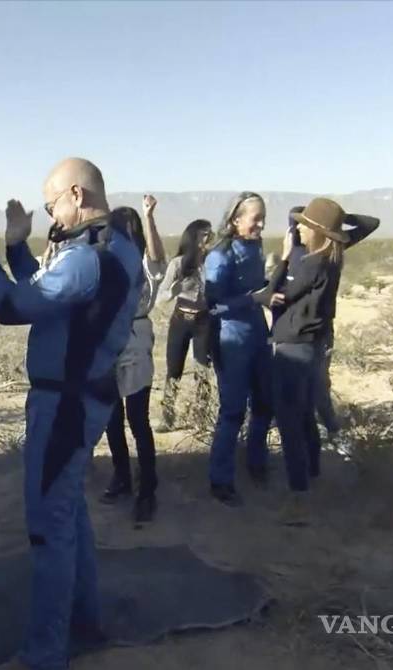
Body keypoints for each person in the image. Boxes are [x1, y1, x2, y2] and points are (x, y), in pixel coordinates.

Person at [0, 157, 142, 670]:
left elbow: (13, 307)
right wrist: (16, 245)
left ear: (77, 195)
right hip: (85, 397)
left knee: (48, 527)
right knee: (68, 510)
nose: (49, 213)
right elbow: (51, 296)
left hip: (65, 406)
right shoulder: (113, 247)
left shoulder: (85, 256)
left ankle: (44, 654)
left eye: (51, 202)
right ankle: (87, 620)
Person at [260, 198, 380, 524]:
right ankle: (311, 472)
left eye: (302, 223)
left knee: (289, 423)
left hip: (293, 347)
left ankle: (299, 497)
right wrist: (334, 224)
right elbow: (370, 223)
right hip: (311, 345)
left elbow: (273, 296)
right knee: (305, 414)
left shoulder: (310, 262)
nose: (295, 227)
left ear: (317, 232)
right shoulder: (330, 256)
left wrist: (282, 261)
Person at [279, 205, 379, 456]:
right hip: (305, 331)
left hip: (313, 331)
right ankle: (316, 435)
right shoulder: (311, 251)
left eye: (305, 223)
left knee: (316, 386)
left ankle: (331, 433)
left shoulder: (321, 251)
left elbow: (371, 222)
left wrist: (333, 220)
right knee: (305, 386)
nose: (299, 227)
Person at [203, 191, 273, 507]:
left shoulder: (255, 248)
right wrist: (252, 300)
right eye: (255, 218)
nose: (260, 225)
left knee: (264, 404)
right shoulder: (220, 255)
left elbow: (258, 287)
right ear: (235, 220)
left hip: (259, 335)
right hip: (232, 341)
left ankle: (256, 462)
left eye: (263, 219)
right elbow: (213, 305)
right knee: (232, 411)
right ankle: (221, 480)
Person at [100, 195, 166, 523]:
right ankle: (122, 476)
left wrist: (149, 216)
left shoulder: (145, 264)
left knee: (138, 419)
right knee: (112, 419)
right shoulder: (106, 262)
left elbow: (158, 257)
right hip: (109, 343)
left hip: (137, 341)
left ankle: (147, 488)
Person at [153, 218, 214, 432]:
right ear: (193, 236)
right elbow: (160, 295)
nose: (208, 237)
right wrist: (173, 291)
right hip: (180, 320)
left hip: (204, 321)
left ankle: (202, 415)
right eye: (203, 233)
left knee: (203, 370)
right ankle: (168, 416)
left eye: (210, 233)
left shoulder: (213, 262)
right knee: (174, 369)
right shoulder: (178, 263)